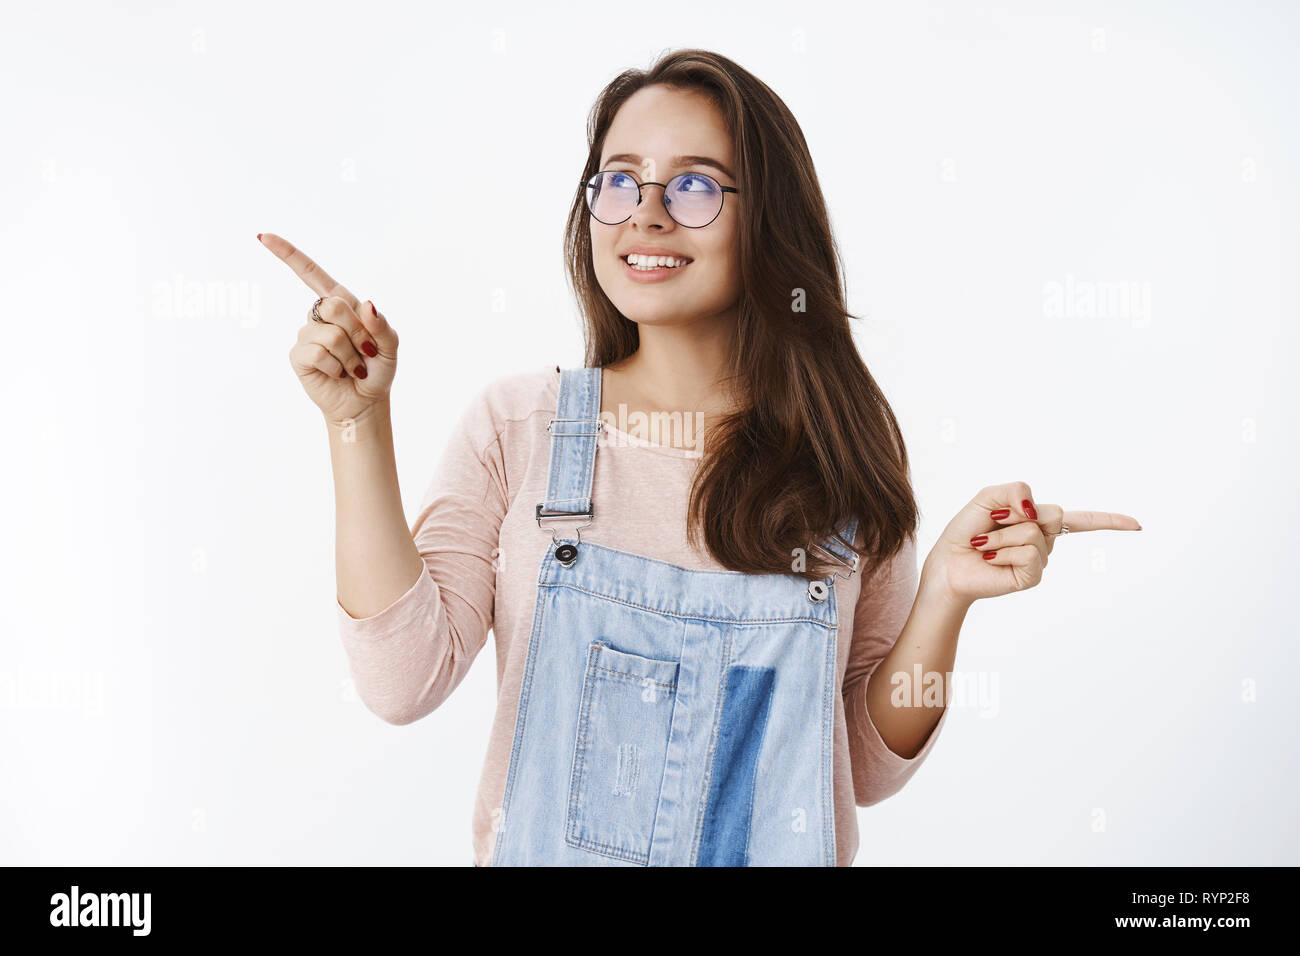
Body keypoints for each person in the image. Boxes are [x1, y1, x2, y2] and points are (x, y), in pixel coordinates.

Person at [260, 49, 1140, 867]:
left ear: (770, 221)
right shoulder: (521, 426)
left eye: (693, 185)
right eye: (619, 180)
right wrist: (357, 424)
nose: (645, 211)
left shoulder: (837, 456)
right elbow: (400, 682)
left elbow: (866, 770)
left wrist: (947, 593)